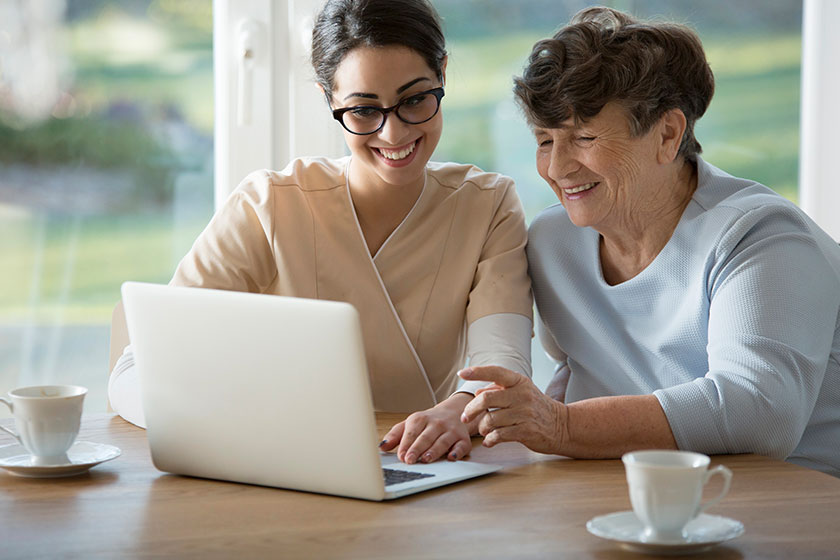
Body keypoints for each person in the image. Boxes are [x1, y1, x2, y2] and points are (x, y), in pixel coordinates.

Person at [108, 0, 533, 465]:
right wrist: (244, 419)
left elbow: (503, 370)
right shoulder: (270, 205)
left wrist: (459, 410)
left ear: (443, 75)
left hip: (422, 469)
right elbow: (134, 371)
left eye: (414, 100)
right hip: (282, 462)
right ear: (328, 99)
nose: (392, 133)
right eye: (363, 110)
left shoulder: (488, 205)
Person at [459, 7, 840, 477]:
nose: (557, 168)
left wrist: (562, 426)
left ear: (667, 134)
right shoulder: (554, 242)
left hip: (791, 506)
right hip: (639, 492)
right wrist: (477, 417)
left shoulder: (761, 238)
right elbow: (582, 372)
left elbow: (760, 413)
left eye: (584, 137)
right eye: (544, 141)